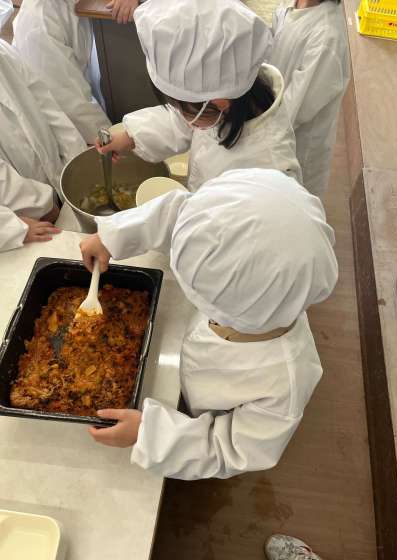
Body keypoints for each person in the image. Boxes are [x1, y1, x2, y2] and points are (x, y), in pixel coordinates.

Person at [79, 167, 338, 480]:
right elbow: (181, 213)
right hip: (187, 364)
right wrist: (114, 235)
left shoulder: (286, 384)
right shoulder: (255, 281)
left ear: (229, 308)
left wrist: (149, 434)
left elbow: (229, 449)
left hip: (200, 417)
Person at [97, 0, 302, 192]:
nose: (179, 114)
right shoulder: (228, 97)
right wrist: (131, 137)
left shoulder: (270, 170)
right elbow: (185, 122)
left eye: (180, 108)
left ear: (219, 104)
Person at [0, 0, 85, 251]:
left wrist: (78, 167)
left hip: (51, 186)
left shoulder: (4, 53)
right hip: (18, 218)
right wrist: (39, 207)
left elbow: (47, 105)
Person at [269, 0, 350, 197]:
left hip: (296, 141)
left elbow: (292, 110)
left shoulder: (326, 37)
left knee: (292, 197)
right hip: (273, 115)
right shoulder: (291, 5)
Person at [13, 0, 111, 144]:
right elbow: (70, 100)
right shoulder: (41, 20)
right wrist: (109, 137)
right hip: (58, 126)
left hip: (74, 114)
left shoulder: (68, 6)